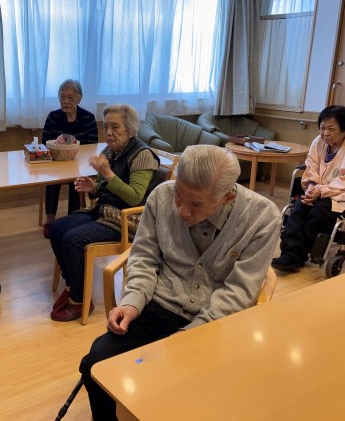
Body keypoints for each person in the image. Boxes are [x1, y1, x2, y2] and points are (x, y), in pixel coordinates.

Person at [78, 144, 281, 420]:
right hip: (157, 305)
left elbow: (239, 289)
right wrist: (132, 302)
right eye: (179, 196)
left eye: (196, 204)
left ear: (228, 197)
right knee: (96, 364)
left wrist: (190, 336)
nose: (183, 211)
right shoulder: (161, 196)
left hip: (214, 322)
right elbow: (144, 257)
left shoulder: (262, 217)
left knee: (176, 389)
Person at [49, 104, 159, 322]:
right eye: (105, 127)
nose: (108, 133)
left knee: (72, 239)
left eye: (115, 127)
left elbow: (135, 197)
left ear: (130, 129)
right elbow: (104, 188)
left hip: (129, 220)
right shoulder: (109, 152)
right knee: (56, 229)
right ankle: (72, 284)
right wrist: (93, 188)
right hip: (105, 211)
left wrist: (107, 174)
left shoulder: (143, 155)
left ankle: (79, 299)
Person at [271, 105, 345, 272]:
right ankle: (290, 253)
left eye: (331, 129)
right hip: (321, 189)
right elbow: (311, 166)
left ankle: (298, 255)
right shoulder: (319, 142)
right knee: (299, 207)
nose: (325, 133)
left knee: (320, 211)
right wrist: (312, 186)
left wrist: (321, 191)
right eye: (322, 128)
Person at [41, 80, 98, 238]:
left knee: (77, 179)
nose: (66, 101)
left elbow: (92, 146)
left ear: (79, 98)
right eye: (62, 97)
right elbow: (45, 143)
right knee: (52, 179)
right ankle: (50, 221)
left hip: (79, 164)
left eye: (70, 97)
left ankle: (72, 220)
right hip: (57, 163)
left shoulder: (88, 118)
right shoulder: (53, 117)